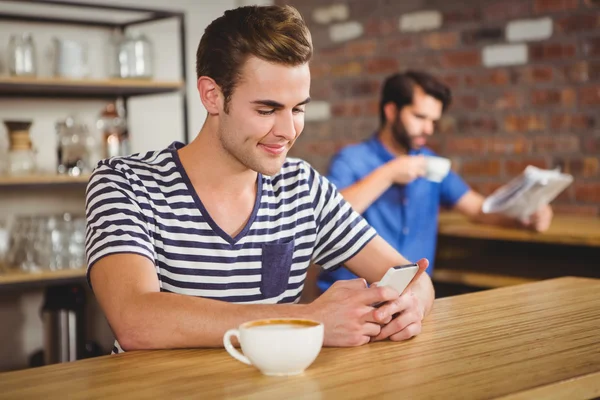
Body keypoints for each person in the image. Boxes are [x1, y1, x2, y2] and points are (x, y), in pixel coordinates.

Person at [85, 5, 434, 354]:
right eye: (266, 110)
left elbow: (413, 277)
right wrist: (307, 321)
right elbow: (135, 320)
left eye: (297, 109)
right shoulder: (124, 183)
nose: (287, 131)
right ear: (212, 96)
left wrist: (412, 303)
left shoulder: (303, 188)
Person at [317, 71, 554, 292]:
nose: (428, 129)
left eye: (433, 121)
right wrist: (390, 172)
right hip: (352, 297)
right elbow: (327, 218)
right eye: (420, 117)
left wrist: (524, 217)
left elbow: (478, 210)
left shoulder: (432, 163)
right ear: (391, 111)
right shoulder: (351, 159)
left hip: (412, 298)